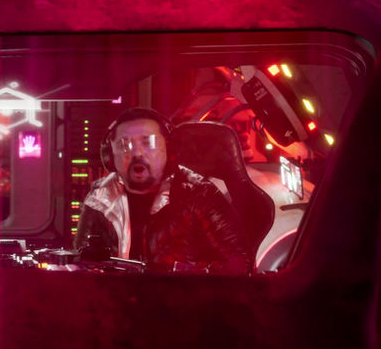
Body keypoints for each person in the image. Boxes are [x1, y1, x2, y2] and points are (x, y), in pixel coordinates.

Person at [74, 107, 251, 272]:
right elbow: (81, 263)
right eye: (124, 144)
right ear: (110, 155)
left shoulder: (199, 194)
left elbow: (240, 264)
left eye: (148, 142)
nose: (137, 153)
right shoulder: (100, 197)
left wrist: (181, 276)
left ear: (169, 148)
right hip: (118, 294)